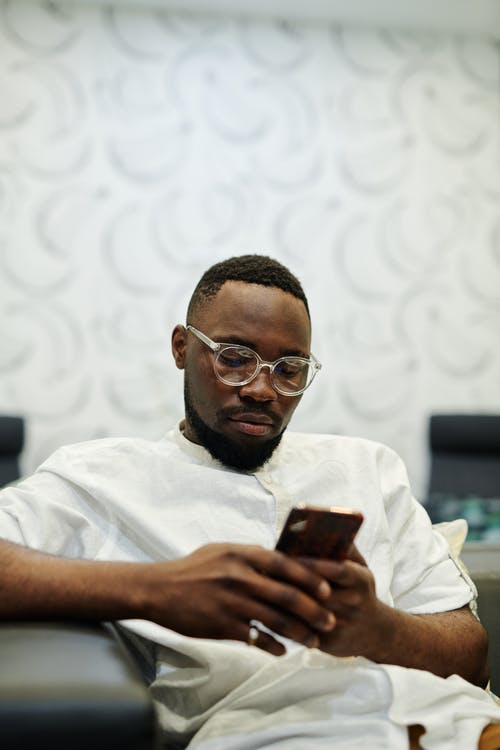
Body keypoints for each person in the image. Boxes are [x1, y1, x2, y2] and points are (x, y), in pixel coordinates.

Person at [0, 254, 499, 750]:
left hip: (463, 725)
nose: (263, 390)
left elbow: (472, 653)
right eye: (234, 359)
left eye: (289, 369)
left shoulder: (368, 466)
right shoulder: (99, 478)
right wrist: (157, 590)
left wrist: (378, 629)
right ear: (181, 348)